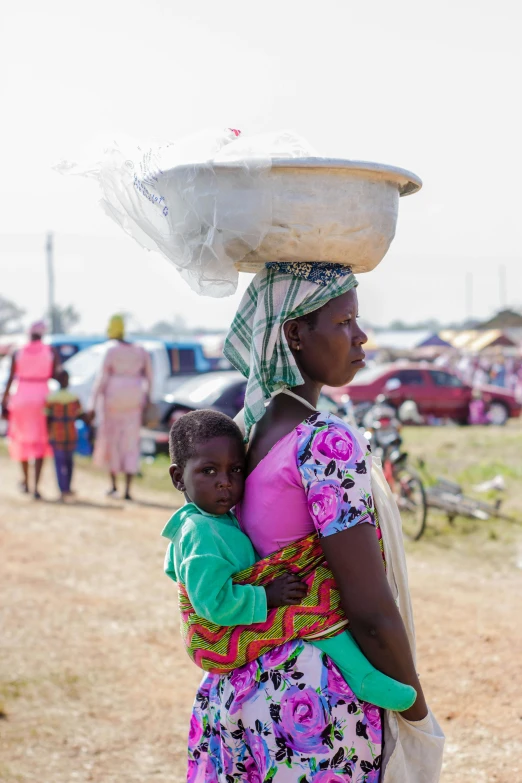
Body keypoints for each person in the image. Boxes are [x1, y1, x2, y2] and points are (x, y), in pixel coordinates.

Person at [182, 263, 442, 782]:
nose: (361, 336)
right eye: (344, 321)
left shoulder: (248, 434)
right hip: (311, 704)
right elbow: (368, 608)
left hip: (242, 695)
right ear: (295, 334)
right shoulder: (323, 441)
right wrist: (415, 708)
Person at [163, 409, 416, 712]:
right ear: (179, 478)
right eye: (209, 471)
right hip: (214, 641)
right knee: (310, 608)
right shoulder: (199, 532)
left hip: (231, 621)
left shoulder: (218, 520)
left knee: (311, 598)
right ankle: (363, 678)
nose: (224, 482)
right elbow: (212, 604)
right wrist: (266, 596)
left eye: (235, 471)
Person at [89, 315, 152, 500]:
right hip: (134, 399)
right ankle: (128, 490)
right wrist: (147, 399)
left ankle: (114, 487)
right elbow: (150, 378)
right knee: (131, 443)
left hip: (112, 400)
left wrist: (92, 404)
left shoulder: (111, 351)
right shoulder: (140, 350)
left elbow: (101, 379)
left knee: (113, 441)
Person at [1, 321, 60, 499]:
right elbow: (58, 374)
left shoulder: (18, 352)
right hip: (42, 396)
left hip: (21, 397)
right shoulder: (50, 351)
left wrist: (4, 401)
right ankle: (36, 487)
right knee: (40, 441)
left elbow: (11, 377)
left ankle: (25, 481)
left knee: (22, 439)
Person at [46, 369, 91, 500]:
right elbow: (82, 416)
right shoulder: (74, 398)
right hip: (70, 434)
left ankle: (63, 489)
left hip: (57, 435)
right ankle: (68, 488)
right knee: (69, 462)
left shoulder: (51, 399)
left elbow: (47, 419)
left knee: (59, 463)